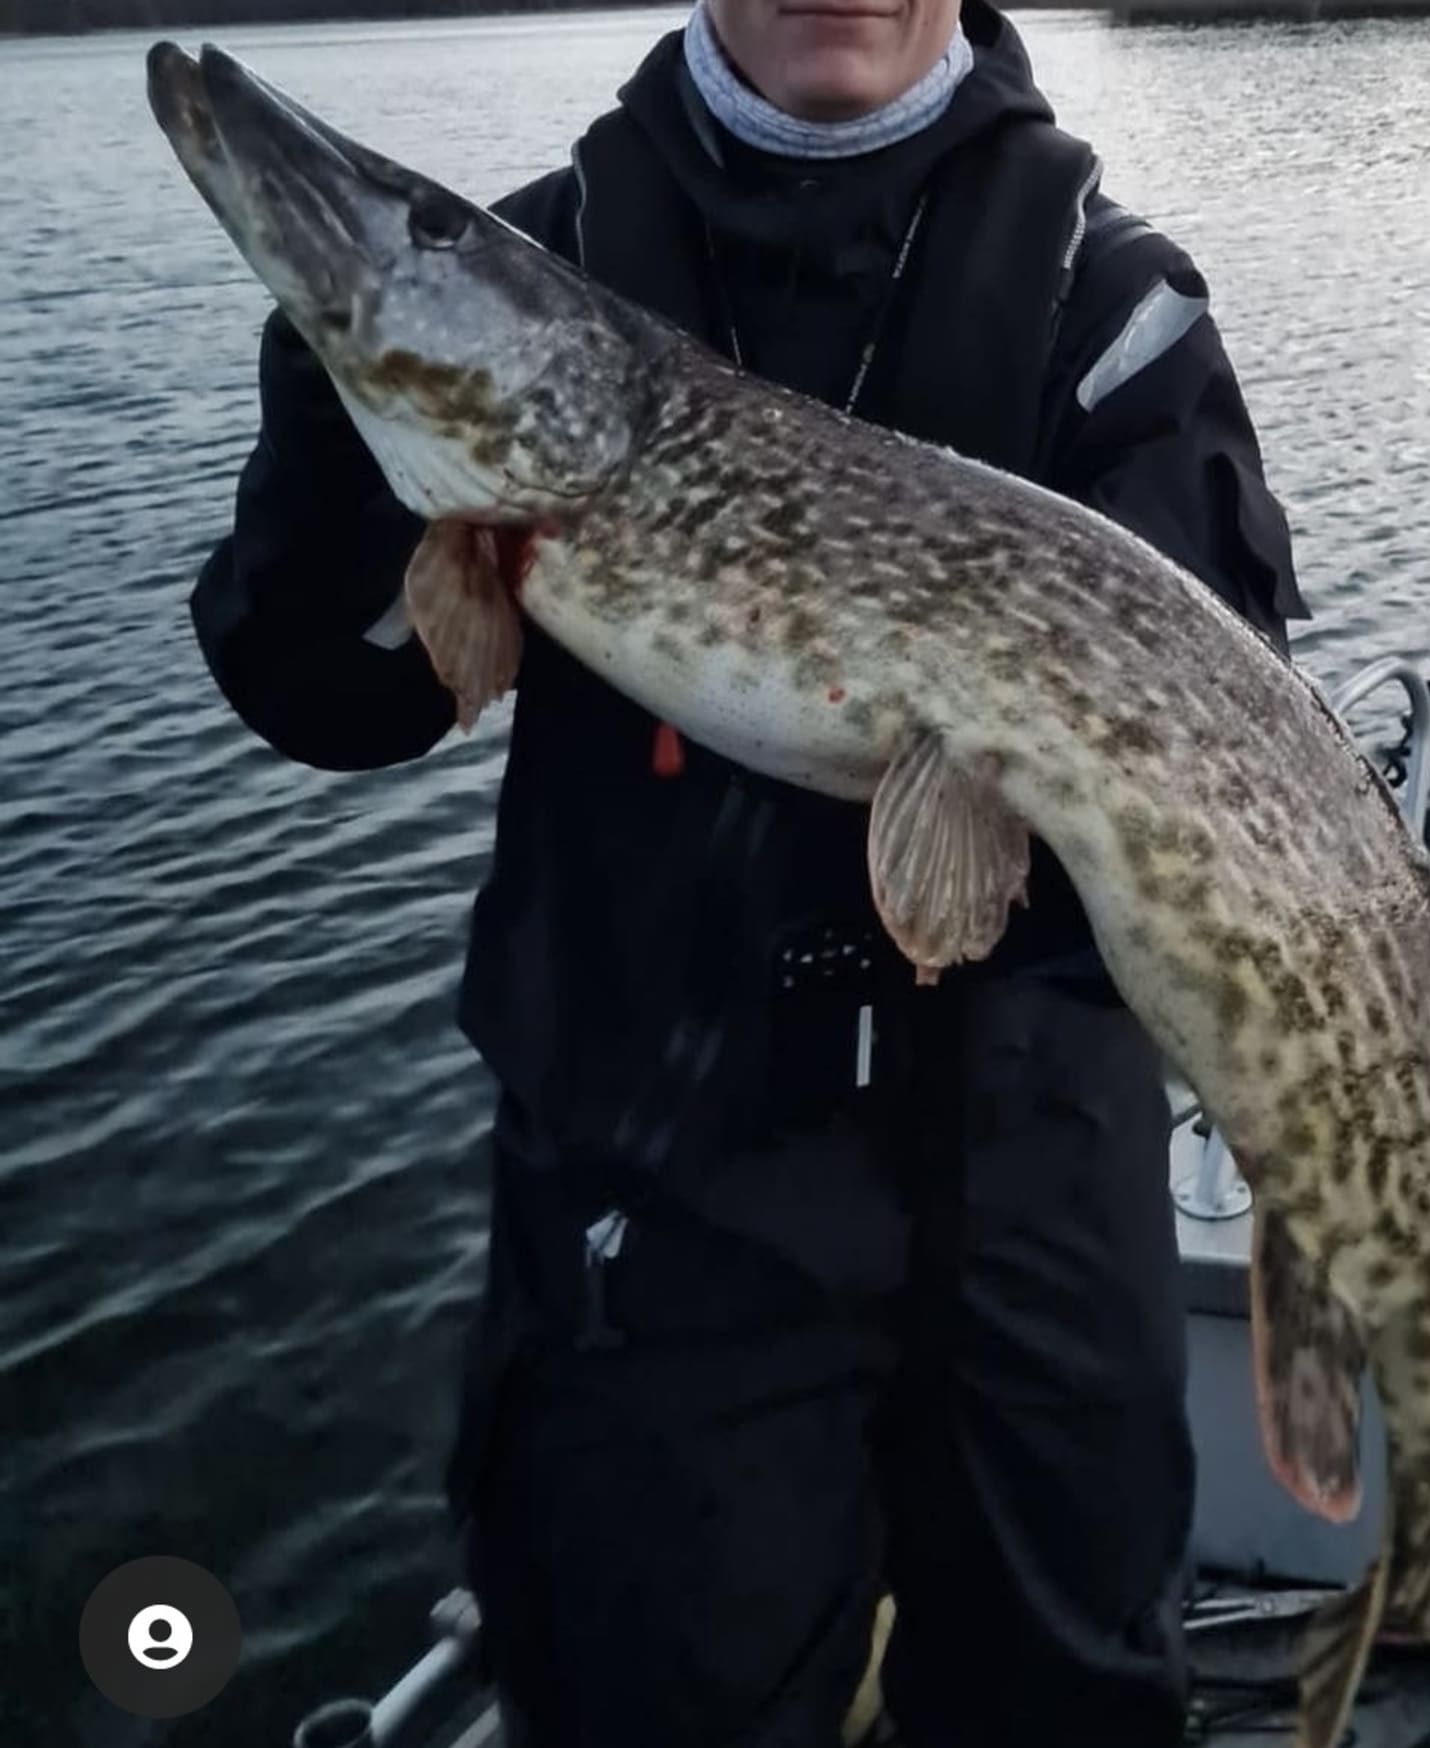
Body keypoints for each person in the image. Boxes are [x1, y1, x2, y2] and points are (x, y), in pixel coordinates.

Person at [191, 0, 1308, 1743]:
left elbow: (1214, 769)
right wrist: (339, 408)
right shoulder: (543, 264)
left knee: (1068, 1706)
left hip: (1033, 1175)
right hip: (655, 1186)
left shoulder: (1115, 305)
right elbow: (329, 696)